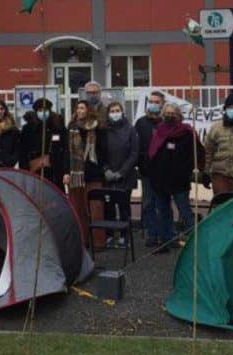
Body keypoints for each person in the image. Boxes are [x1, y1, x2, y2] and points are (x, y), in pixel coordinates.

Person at [145, 102, 204, 252]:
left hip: (180, 180)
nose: (170, 115)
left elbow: (199, 153)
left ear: (179, 115)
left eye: (173, 113)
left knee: (185, 211)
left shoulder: (187, 132)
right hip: (160, 180)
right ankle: (167, 240)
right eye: (167, 113)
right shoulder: (159, 131)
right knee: (164, 211)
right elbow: (152, 153)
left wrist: (196, 169)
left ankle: (195, 241)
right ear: (163, 114)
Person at [97, 101, 138, 247]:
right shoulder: (103, 130)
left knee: (124, 207)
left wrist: (122, 172)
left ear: (122, 112)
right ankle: (109, 235)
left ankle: (124, 236)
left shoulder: (130, 129)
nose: (115, 113)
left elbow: (134, 153)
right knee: (108, 207)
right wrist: (106, 170)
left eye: (117, 110)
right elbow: (99, 153)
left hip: (125, 176)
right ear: (108, 114)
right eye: (112, 111)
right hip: (107, 176)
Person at [67, 99, 104, 245]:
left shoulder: (97, 127)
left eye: (83, 108)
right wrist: (66, 171)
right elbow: (67, 152)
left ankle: (98, 242)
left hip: (93, 173)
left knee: (96, 209)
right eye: (78, 108)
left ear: (89, 110)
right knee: (78, 209)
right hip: (76, 174)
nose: (80, 111)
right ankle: (81, 241)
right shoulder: (71, 127)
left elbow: (102, 150)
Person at [134, 90, 165, 248]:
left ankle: (164, 235)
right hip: (146, 171)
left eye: (156, 102)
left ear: (162, 105)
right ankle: (152, 234)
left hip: (163, 173)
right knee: (148, 203)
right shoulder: (140, 123)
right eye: (150, 101)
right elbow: (135, 146)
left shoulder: (166, 123)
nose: (152, 104)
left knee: (162, 204)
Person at [18, 97, 68, 189]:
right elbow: (22, 152)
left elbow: (66, 149)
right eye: (40, 110)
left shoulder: (58, 126)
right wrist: (24, 171)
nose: (43, 112)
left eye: (45, 110)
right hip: (35, 171)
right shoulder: (28, 129)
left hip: (55, 171)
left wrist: (66, 171)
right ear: (36, 112)